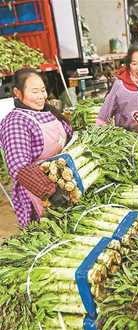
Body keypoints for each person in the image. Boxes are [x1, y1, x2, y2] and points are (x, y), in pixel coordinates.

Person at [0, 68, 73, 228]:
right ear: (18, 93)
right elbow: (19, 166)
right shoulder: (15, 122)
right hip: (40, 195)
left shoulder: (50, 112)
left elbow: (70, 138)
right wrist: (50, 192)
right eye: (35, 92)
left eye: (43, 90)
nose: (41, 96)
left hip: (66, 185)